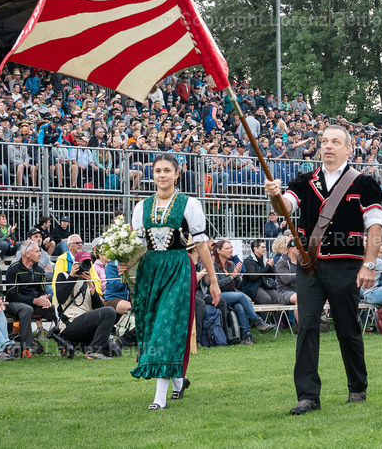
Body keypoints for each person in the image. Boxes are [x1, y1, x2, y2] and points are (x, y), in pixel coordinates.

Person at [264, 125, 382, 415]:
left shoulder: (364, 183)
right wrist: (274, 195)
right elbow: (285, 209)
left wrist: (369, 263)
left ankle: (357, 386)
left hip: (346, 265)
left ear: (348, 148)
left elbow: (376, 226)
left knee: (347, 327)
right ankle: (307, 396)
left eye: (335, 141)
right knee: (306, 326)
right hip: (310, 265)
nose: (328, 146)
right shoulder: (304, 181)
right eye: (324, 141)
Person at [130, 153, 220, 410]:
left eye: (167, 170)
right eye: (158, 170)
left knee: (166, 327)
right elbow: (139, 246)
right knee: (152, 326)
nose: (161, 174)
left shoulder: (189, 204)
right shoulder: (141, 207)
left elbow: (201, 244)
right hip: (150, 271)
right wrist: (127, 262)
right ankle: (179, 380)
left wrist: (213, 280)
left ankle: (159, 397)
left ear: (176, 174)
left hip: (178, 268)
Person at [55, 250, 117, 360]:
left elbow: (99, 309)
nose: (85, 267)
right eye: (83, 263)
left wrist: (90, 283)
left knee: (115, 352)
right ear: (76, 264)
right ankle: (93, 351)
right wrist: (72, 276)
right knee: (110, 311)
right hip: (69, 324)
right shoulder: (63, 276)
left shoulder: (88, 281)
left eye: (87, 264)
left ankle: (84, 346)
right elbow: (61, 298)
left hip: (86, 324)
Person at [5, 239, 53, 355]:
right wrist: (34, 300)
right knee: (27, 309)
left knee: (55, 310)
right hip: (14, 305)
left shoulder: (39, 270)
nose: (40, 254)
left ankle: (66, 344)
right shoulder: (13, 269)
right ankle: (26, 349)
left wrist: (44, 300)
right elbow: (11, 295)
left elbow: (42, 291)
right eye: (37, 251)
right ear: (27, 254)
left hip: (34, 304)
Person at [241, 239, 278, 305]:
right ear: (255, 248)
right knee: (266, 299)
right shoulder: (248, 261)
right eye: (262, 247)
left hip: (265, 285)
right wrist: (267, 266)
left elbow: (272, 276)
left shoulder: (264, 260)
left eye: (265, 247)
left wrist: (270, 267)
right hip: (252, 287)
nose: (265, 249)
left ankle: (276, 315)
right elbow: (253, 277)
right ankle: (261, 316)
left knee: (277, 298)